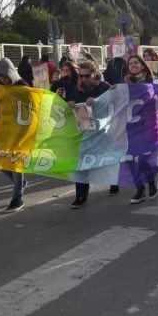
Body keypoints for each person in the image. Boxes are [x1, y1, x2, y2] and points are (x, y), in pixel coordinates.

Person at [69, 60, 110, 207]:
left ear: (95, 73)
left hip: (103, 133)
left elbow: (113, 107)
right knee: (81, 164)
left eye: (87, 76)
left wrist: (98, 102)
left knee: (108, 162)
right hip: (85, 132)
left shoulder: (105, 87)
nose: (83, 79)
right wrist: (71, 103)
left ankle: (114, 182)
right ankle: (80, 196)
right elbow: (74, 105)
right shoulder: (78, 88)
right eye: (81, 76)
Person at [0, 58, 29, 212]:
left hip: (20, 131)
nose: (3, 79)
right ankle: (20, 182)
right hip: (4, 129)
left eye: (5, 76)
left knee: (16, 162)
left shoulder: (23, 87)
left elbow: (31, 107)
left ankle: (17, 198)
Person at [124, 54, 158, 204]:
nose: (133, 65)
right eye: (130, 63)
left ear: (143, 65)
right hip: (131, 126)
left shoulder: (153, 82)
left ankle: (151, 182)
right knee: (131, 158)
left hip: (149, 125)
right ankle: (139, 189)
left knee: (145, 157)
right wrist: (112, 90)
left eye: (136, 62)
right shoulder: (124, 85)